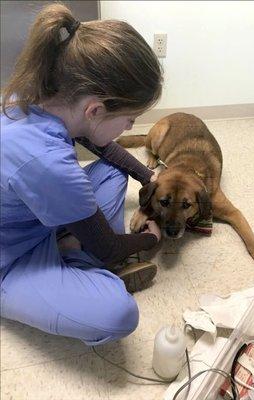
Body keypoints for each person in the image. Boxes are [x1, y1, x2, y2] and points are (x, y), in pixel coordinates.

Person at [0, 3, 162, 346]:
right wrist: (152, 237)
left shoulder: (37, 96)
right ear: (95, 109)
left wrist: (149, 177)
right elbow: (109, 247)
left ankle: (74, 241)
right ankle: (75, 256)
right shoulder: (47, 162)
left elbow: (104, 147)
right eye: (131, 119)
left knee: (117, 171)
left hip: (32, 215)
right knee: (119, 313)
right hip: (12, 257)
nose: (131, 127)